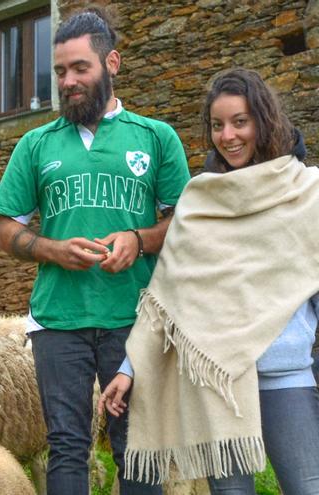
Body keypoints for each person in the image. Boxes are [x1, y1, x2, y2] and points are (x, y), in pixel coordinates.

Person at [0, 7, 191, 495]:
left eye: (81, 68)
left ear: (112, 63)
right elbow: (5, 231)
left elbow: (185, 223)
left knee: (137, 446)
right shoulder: (35, 145)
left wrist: (139, 239)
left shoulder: (156, 138)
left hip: (135, 317)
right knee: (67, 445)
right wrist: (53, 249)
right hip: (58, 321)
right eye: (60, 71)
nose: (69, 81)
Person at [100, 68, 319, 495]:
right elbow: (170, 293)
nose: (228, 136)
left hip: (286, 372)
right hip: (216, 378)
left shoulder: (307, 192)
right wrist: (130, 369)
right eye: (217, 125)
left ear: (264, 119)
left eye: (240, 121)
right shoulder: (201, 199)